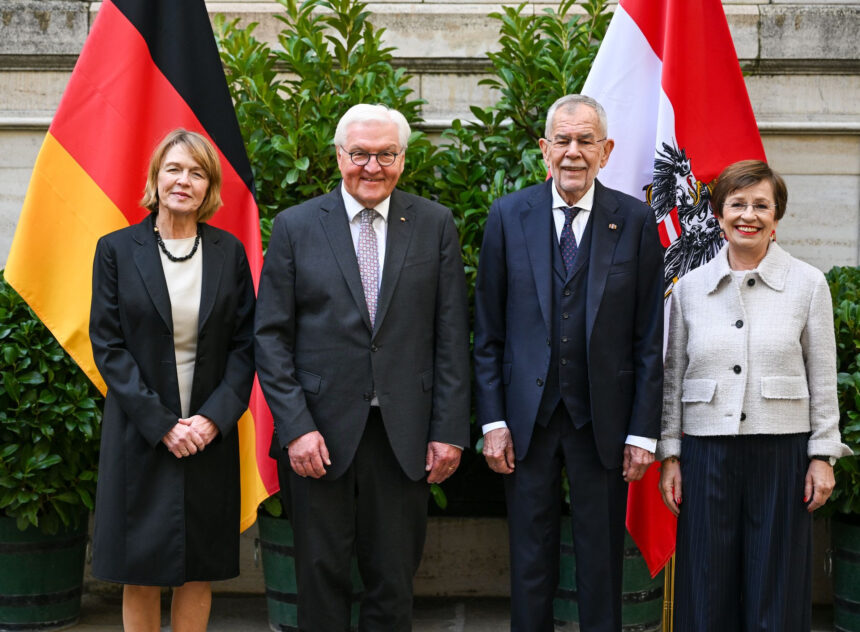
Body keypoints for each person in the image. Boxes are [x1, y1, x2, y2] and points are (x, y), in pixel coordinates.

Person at [254, 103, 470, 631]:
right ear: (338, 156)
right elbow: (271, 337)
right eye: (360, 154)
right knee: (319, 576)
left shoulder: (434, 224)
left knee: (393, 580)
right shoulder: (296, 226)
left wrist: (449, 432)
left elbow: (450, 337)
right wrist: (296, 428)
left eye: (386, 155)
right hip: (317, 437)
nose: (372, 167)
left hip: (405, 436)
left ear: (402, 159)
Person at [473, 94, 665, 632]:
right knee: (529, 562)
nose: (573, 152)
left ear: (606, 150)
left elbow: (650, 336)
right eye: (563, 140)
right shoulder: (509, 216)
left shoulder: (633, 219)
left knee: (601, 564)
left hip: (601, 421)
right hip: (525, 422)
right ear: (544, 149)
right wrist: (493, 422)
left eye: (586, 141)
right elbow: (487, 332)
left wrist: (643, 433)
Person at [657, 159, 851, 631]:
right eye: (737, 204)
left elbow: (824, 376)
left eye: (761, 205)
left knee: (778, 588)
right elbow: (672, 377)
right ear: (719, 215)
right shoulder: (688, 289)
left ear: (776, 216)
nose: (749, 214)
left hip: (782, 453)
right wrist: (670, 455)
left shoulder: (808, 285)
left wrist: (823, 455)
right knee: (704, 587)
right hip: (706, 454)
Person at [89, 129, 256, 632]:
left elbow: (246, 347)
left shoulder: (229, 253)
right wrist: (163, 424)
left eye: (197, 173)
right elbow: (108, 346)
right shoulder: (116, 250)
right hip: (140, 434)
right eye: (174, 170)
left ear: (210, 187)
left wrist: (213, 420)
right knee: (139, 571)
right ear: (155, 178)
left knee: (197, 569)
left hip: (207, 437)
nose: (184, 181)